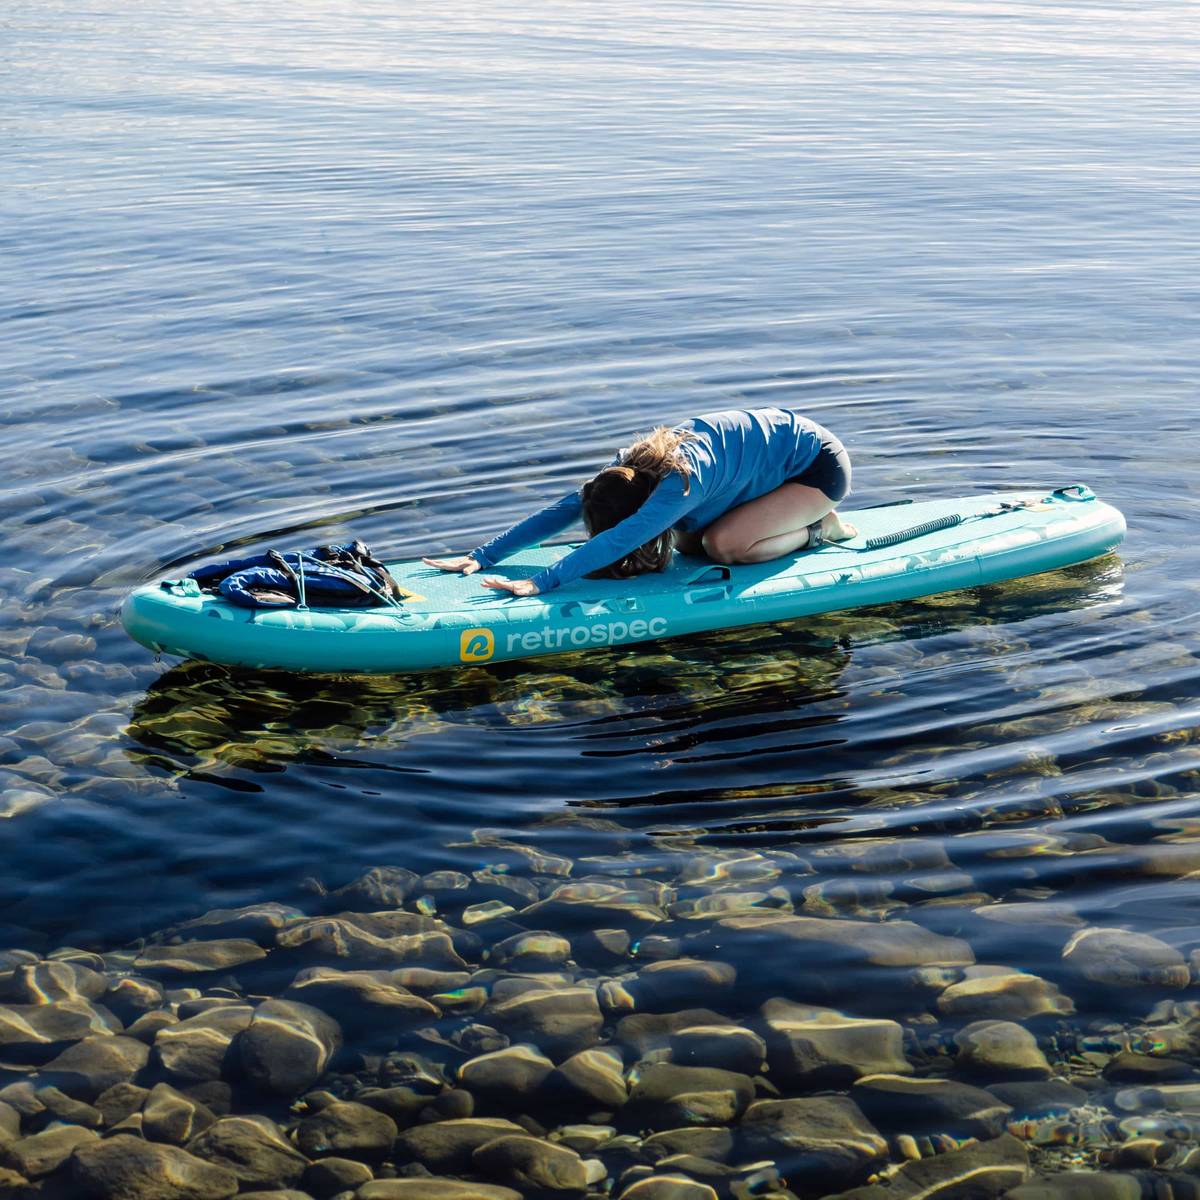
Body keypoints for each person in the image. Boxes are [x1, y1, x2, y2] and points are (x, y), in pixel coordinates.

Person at [423, 407, 855, 596]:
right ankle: (784, 517)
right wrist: (484, 556)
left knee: (724, 547)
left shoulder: (681, 484)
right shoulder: (624, 469)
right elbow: (565, 508)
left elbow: (620, 539)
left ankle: (820, 527)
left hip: (815, 469)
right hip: (763, 469)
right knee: (688, 544)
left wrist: (542, 581)